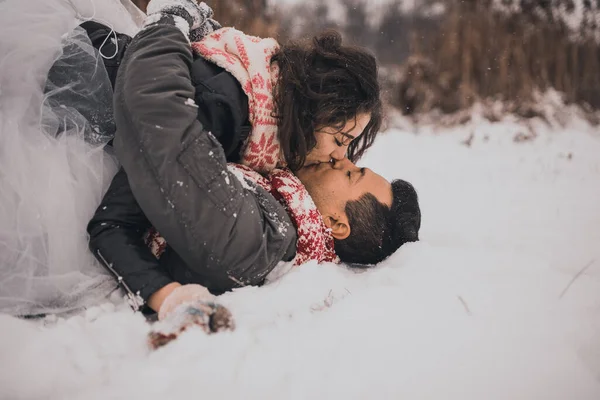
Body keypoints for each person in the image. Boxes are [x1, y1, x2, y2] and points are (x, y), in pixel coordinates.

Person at [87, 0, 422, 326]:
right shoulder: (232, 111)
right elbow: (163, 118)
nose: (340, 159)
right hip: (76, 81)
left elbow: (117, 221)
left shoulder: (263, 154)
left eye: (348, 158)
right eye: (340, 141)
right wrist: (173, 23)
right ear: (311, 112)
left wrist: (166, 295)